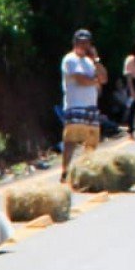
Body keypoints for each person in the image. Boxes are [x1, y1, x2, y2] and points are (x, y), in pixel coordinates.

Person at [59, 28, 105, 183]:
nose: (85, 45)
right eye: (81, 42)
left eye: (87, 43)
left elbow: (104, 78)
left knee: (92, 140)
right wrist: (94, 81)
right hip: (75, 104)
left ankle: (86, 171)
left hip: (91, 105)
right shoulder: (70, 59)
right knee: (71, 140)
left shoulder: (90, 62)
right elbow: (80, 79)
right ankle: (65, 170)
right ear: (75, 43)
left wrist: (96, 60)